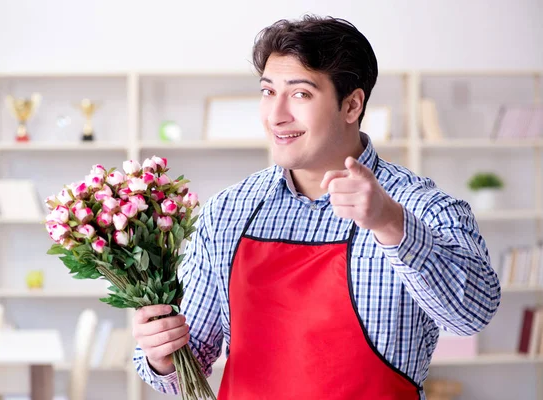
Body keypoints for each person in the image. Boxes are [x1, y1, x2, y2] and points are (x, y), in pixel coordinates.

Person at [131, 15, 501, 399]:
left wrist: (390, 223)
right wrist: (162, 354)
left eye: (300, 94)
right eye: (268, 92)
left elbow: (471, 316)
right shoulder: (227, 212)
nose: (276, 115)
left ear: (352, 105)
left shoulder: (421, 208)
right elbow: (190, 361)